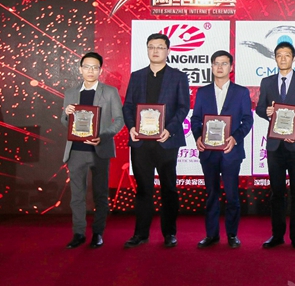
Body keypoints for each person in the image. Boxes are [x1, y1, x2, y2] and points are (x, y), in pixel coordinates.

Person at [122, 33, 190, 248]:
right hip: (141, 143)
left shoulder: (178, 77)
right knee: (143, 189)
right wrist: (131, 127)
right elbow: (128, 106)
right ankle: (140, 234)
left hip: (166, 141)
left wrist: (169, 130)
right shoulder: (137, 76)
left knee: (169, 188)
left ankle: (169, 233)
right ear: (147, 49)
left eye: (160, 47)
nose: (155, 51)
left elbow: (183, 107)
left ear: (168, 50)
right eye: (151, 46)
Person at [255, 42, 295, 250]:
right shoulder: (267, 82)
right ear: (274, 58)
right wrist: (266, 112)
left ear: (293, 58)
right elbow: (260, 109)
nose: (283, 58)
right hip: (275, 146)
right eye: (279, 55)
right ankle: (277, 234)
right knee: (277, 193)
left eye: (287, 55)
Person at [60, 52, 124, 249]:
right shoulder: (70, 93)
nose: (90, 71)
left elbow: (119, 121)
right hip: (76, 151)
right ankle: (78, 233)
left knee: (100, 194)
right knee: (77, 196)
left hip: (100, 149)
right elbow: (65, 122)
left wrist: (103, 135)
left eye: (94, 67)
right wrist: (66, 114)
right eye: (87, 67)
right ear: (80, 69)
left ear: (100, 70)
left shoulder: (110, 92)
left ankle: (98, 233)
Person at [191, 50, 253, 249]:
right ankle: (211, 235)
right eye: (216, 63)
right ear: (211, 66)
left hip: (230, 151)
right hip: (208, 152)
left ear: (231, 67)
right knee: (211, 194)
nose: (220, 67)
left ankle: (232, 234)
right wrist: (198, 137)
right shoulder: (203, 92)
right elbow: (195, 119)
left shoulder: (241, 92)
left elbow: (247, 120)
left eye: (224, 63)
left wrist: (235, 138)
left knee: (232, 195)